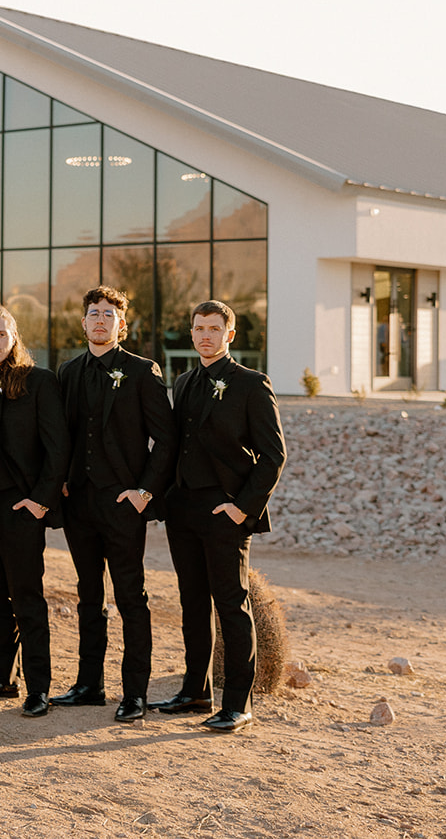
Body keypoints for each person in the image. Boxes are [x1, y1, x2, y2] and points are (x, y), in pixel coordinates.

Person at [151, 300, 286, 733]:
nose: (205, 335)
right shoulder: (185, 381)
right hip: (184, 508)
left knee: (231, 603)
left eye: (214, 328)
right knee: (192, 602)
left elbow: (273, 455)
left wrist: (242, 507)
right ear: (191, 334)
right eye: (198, 328)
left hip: (225, 509)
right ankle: (195, 690)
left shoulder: (251, 383)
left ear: (230, 335)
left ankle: (238, 704)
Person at [52, 286, 176, 722]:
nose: (100, 320)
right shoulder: (68, 372)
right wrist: (62, 483)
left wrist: (143, 492)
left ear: (121, 324)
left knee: (130, 598)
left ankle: (135, 693)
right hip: (79, 505)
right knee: (88, 595)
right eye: (93, 314)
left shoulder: (142, 372)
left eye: (109, 314)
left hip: (124, 505)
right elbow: (61, 436)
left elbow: (167, 438)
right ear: (83, 323)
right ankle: (89, 685)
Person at [0, 305, 68, 718]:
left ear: (14, 336)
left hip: (20, 508)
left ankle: (39, 687)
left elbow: (58, 448)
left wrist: (40, 500)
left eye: (1, 334)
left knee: (28, 598)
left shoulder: (39, 382)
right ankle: (1, 676)